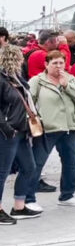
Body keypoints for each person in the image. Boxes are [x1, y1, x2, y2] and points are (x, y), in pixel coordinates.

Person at [28, 50, 75, 207]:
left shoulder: (71, 79)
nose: (58, 66)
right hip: (47, 129)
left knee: (71, 162)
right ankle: (28, 198)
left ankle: (67, 195)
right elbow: (28, 103)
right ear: (46, 65)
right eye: (54, 63)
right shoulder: (37, 81)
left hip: (69, 127)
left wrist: (67, 85)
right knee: (37, 163)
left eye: (61, 63)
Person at [0, 46, 34, 224]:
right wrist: (6, 128)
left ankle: (19, 206)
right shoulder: (3, 79)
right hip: (8, 132)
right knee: (2, 172)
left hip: (21, 130)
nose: (22, 61)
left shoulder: (16, 78)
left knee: (29, 167)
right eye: (19, 58)